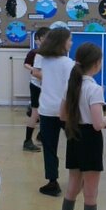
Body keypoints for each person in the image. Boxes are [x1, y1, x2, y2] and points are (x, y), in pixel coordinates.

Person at [57, 42, 106, 210]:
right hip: (90, 140)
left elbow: (62, 115)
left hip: (74, 135)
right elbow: (98, 124)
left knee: (72, 185)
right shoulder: (94, 89)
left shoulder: (72, 85)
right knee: (91, 191)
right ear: (97, 64)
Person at [34, 28, 74, 197]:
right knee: (74, 144)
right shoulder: (67, 63)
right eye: (69, 40)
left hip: (46, 110)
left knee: (49, 148)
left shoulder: (44, 61)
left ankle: (52, 182)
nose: (71, 43)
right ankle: (78, 177)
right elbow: (70, 88)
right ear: (62, 42)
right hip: (64, 110)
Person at [22, 27, 49, 152]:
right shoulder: (37, 53)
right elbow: (34, 71)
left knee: (44, 112)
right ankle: (27, 141)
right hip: (37, 86)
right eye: (45, 37)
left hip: (44, 86)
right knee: (35, 113)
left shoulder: (48, 53)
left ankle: (42, 136)